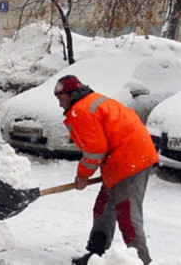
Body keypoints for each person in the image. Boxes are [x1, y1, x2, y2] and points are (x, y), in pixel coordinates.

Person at [53, 75, 158, 265]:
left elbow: (95, 151)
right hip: (122, 159)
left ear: (71, 94)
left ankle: (142, 261)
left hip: (130, 160)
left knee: (126, 214)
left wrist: (82, 176)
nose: (60, 105)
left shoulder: (82, 110)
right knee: (103, 206)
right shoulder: (92, 101)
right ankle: (96, 255)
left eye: (61, 99)